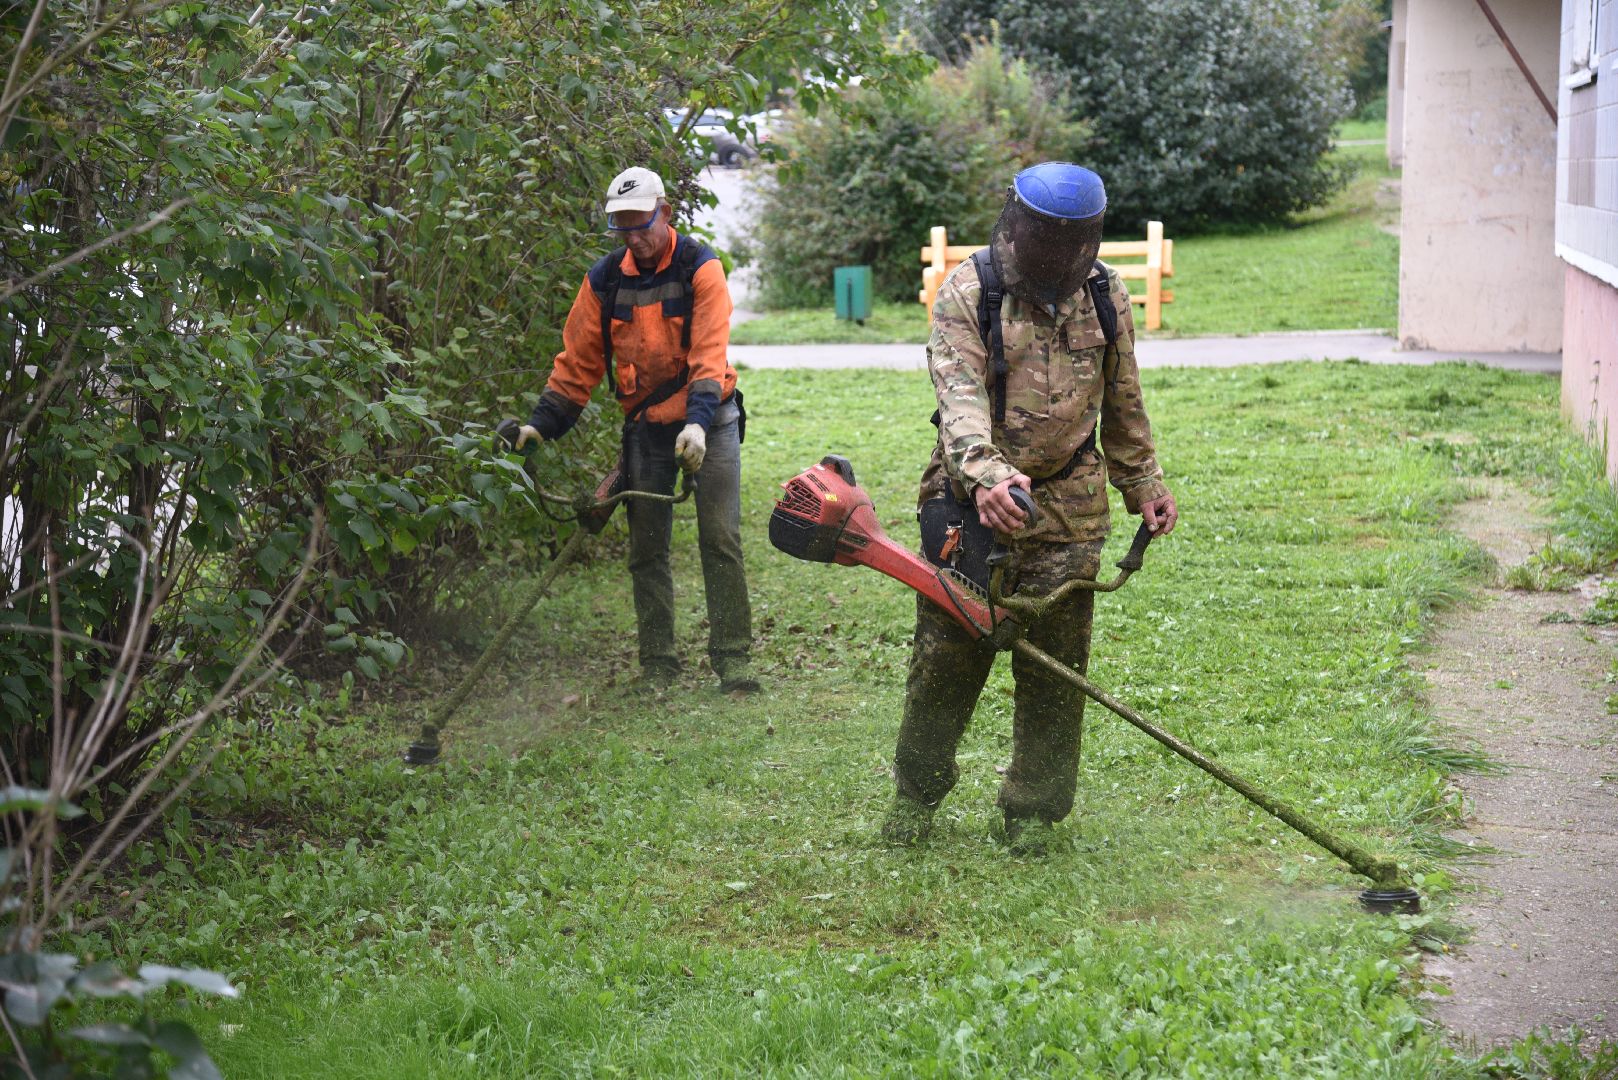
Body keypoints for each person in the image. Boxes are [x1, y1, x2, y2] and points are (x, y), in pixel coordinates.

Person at [884, 162, 1178, 853]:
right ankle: (915, 796)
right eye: (1053, 240)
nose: (1067, 257)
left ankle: (1033, 813)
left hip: (1069, 511)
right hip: (967, 507)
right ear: (1017, 226)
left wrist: (1145, 485)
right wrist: (988, 480)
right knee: (945, 662)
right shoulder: (969, 291)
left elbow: (1124, 402)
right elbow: (958, 408)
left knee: (1056, 667)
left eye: (1080, 243)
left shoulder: (1106, 295)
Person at [515, 166, 757, 693]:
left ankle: (734, 659)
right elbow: (576, 363)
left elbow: (708, 356)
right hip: (646, 428)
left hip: (709, 419)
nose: (634, 236)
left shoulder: (701, 267)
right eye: (622, 226)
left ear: (664, 212)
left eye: (640, 223)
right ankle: (659, 663)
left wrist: (695, 424)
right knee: (647, 549)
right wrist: (540, 425)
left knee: (720, 539)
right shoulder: (604, 280)